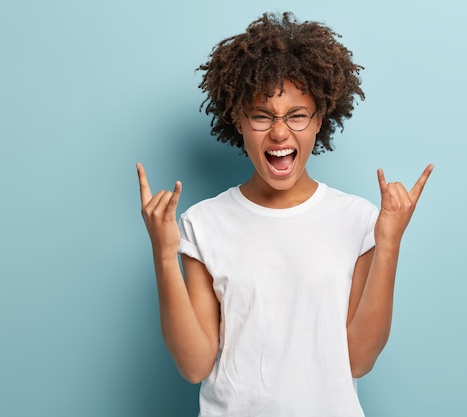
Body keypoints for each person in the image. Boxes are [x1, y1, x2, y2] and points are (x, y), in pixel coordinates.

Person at [137, 11, 433, 417]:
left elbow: (360, 360)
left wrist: (389, 243)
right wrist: (163, 253)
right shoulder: (203, 224)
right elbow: (193, 366)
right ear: (238, 120)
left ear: (319, 121)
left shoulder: (358, 220)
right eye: (262, 115)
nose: (279, 133)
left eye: (297, 115)